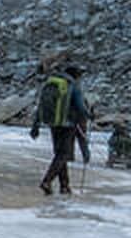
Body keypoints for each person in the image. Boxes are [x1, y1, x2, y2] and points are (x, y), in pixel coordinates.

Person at [29, 60, 92, 196]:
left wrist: (36, 125)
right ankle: (47, 181)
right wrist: (89, 116)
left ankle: (64, 186)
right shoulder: (73, 85)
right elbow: (81, 107)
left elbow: (40, 105)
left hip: (53, 123)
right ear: (76, 75)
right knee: (63, 154)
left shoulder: (51, 83)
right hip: (68, 125)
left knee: (60, 155)